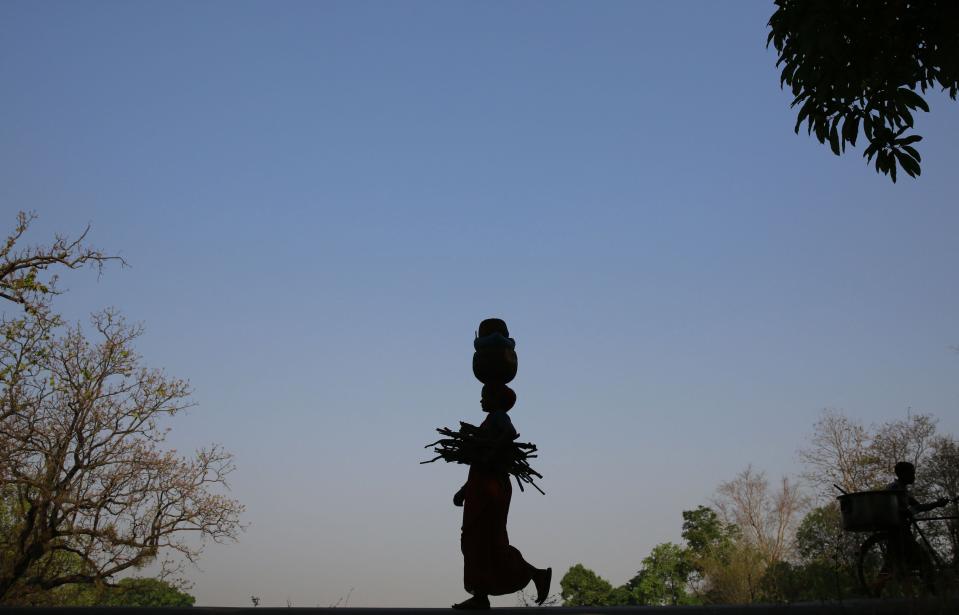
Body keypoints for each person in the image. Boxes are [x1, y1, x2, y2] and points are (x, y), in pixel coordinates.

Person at [451, 384, 551, 610]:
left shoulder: (498, 416)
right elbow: (480, 465)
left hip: (492, 490)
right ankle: (480, 594)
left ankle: (534, 574)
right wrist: (464, 490)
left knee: (489, 540)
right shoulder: (490, 420)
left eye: (484, 396)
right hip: (481, 487)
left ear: (495, 399)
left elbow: (509, 433)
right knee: (475, 541)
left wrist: (492, 452)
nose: (480, 401)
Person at [883, 461, 949, 582]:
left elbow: (918, 506)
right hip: (898, 532)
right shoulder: (894, 489)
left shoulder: (902, 490)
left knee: (891, 563)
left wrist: (937, 504)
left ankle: (873, 591)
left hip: (901, 531)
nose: (914, 476)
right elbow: (893, 509)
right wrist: (935, 505)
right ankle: (933, 591)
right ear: (902, 474)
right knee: (923, 560)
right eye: (911, 474)